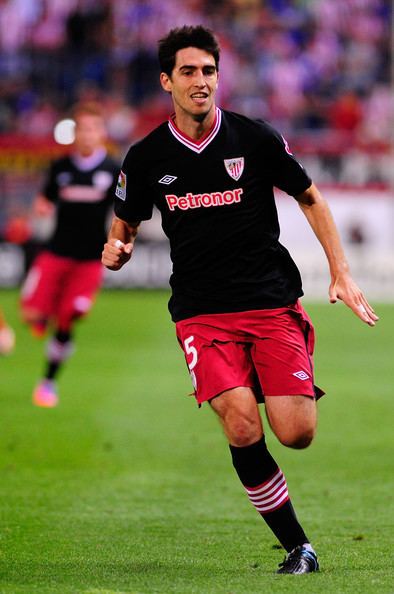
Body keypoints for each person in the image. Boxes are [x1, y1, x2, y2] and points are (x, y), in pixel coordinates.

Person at [102, 26, 379, 574]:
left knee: (296, 433)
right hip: (202, 313)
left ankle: (268, 376)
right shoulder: (147, 155)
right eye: (188, 71)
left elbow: (311, 197)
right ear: (167, 81)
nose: (201, 81)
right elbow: (125, 223)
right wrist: (119, 247)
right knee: (240, 425)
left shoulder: (255, 138)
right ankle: (299, 546)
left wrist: (341, 273)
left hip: (270, 302)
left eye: (208, 71)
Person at [21, 102, 119, 407]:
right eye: (81, 129)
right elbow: (45, 197)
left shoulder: (113, 170)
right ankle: (47, 320)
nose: (87, 135)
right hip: (56, 253)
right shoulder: (60, 167)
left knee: (71, 315)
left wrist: (121, 238)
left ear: (101, 133)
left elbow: (124, 210)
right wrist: (40, 206)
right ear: (74, 134)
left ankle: (48, 382)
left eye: (92, 129)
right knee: (32, 315)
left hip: (89, 260)